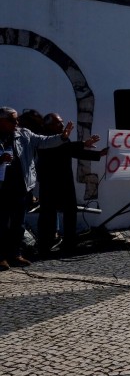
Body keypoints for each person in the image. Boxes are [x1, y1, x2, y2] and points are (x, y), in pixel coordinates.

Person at [0, 107, 72, 271]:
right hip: (2, 188)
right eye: (12, 120)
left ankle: (16, 254)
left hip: (21, 187)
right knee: (2, 224)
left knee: (19, 224)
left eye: (17, 119)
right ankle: (1, 257)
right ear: (1, 121)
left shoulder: (23, 134)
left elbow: (43, 141)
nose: (16, 122)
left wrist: (61, 137)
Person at [36, 113, 107, 253]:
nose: (62, 126)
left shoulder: (63, 138)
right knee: (48, 212)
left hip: (65, 180)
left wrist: (99, 154)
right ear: (49, 125)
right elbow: (64, 149)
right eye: (58, 123)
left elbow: (72, 152)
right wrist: (83, 144)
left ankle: (69, 242)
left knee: (70, 211)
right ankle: (45, 243)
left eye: (61, 122)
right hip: (49, 182)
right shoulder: (43, 139)